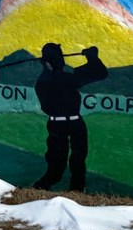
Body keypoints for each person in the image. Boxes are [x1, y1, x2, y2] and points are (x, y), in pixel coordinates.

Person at [33, 42, 107, 192]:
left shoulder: (52, 79)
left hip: (70, 124)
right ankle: (42, 188)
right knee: (58, 165)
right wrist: (92, 59)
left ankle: (76, 190)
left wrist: (92, 59)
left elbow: (98, 74)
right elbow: (99, 73)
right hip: (63, 125)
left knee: (77, 160)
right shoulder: (50, 80)